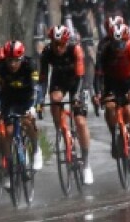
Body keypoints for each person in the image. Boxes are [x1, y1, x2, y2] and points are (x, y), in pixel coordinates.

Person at [39, 25, 93, 183]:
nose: (58, 48)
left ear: (66, 42)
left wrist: (76, 96)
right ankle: (63, 133)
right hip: (59, 81)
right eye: (55, 44)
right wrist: (40, 100)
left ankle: (86, 163)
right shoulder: (47, 52)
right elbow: (42, 80)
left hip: (77, 81)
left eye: (61, 44)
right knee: (55, 100)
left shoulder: (75, 49)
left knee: (80, 122)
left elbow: (81, 76)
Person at [0, 40, 43, 184]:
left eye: (16, 61)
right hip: (9, 99)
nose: (12, 64)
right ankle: (9, 168)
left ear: (21, 59)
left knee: (27, 120)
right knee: (7, 132)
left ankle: (36, 148)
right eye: (9, 60)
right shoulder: (0, 67)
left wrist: (33, 106)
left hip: (28, 97)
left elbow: (35, 88)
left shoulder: (30, 65)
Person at [95, 23, 130, 163]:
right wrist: (98, 93)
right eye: (115, 44)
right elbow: (98, 75)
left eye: (121, 43)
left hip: (129, 82)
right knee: (110, 107)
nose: (118, 48)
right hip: (111, 83)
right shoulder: (104, 51)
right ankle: (114, 136)